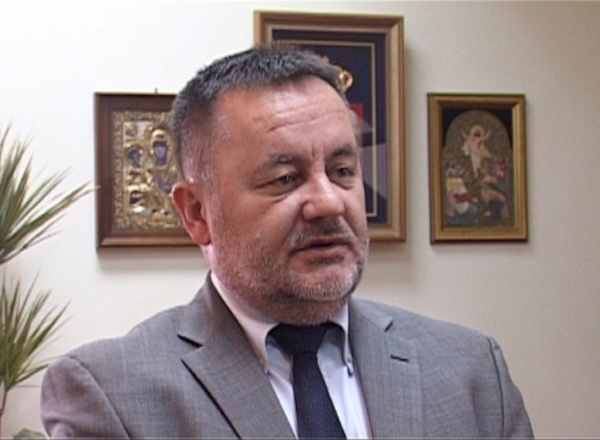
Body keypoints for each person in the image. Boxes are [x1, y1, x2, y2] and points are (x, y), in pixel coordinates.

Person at [40, 45, 533, 438]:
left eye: (343, 171)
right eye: (284, 179)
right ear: (197, 213)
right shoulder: (111, 396)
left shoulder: (470, 371)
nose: (328, 202)